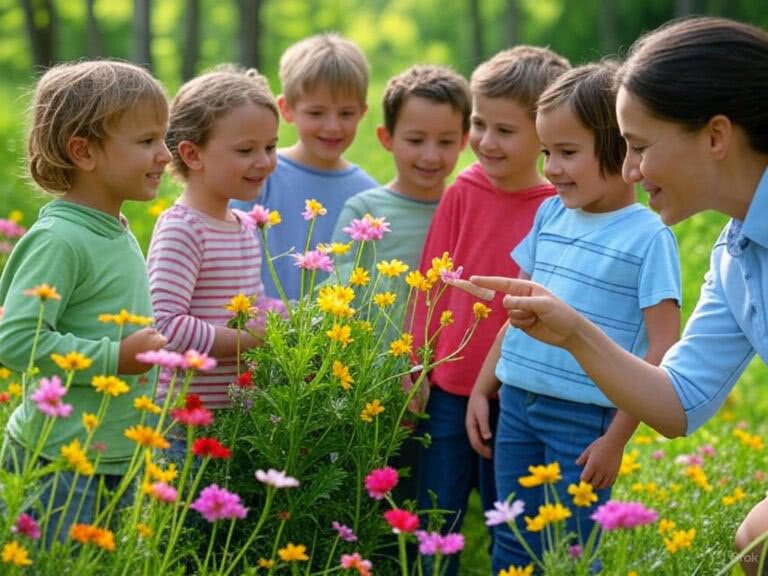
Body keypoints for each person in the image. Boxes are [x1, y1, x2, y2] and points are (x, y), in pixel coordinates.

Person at [467, 17, 768, 576]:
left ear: (716, 137)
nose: (628, 168)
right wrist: (574, 333)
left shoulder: (657, 240)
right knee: (755, 542)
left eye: (639, 146)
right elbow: (678, 403)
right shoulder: (734, 257)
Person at [466, 62, 681, 571]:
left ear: (621, 148)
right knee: (512, 540)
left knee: (574, 549)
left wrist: (616, 439)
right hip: (517, 404)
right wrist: (482, 388)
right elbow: (517, 310)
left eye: (567, 152)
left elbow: (663, 348)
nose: (551, 169)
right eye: (546, 152)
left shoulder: (649, 237)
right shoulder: (550, 215)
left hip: (585, 421)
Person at [410, 46, 570, 576]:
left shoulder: (557, 206)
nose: (485, 141)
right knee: (437, 513)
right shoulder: (464, 189)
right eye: (479, 124)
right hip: (449, 386)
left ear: (544, 134)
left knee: (512, 522)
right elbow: (430, 282)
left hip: (518, 394)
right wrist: (417, 363)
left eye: (505, 130)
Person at [0, 60, 170, 537]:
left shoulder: (113, 227)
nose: (164, 155)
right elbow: (15, 341)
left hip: (112, 456)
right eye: (147, 141)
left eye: (163, 138)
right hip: (59, 462)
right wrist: (116, 357)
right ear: (84, 151)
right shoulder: (59, 240)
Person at [147, 65, 279, 409]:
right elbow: (165, 326)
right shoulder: (183, 229)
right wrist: (250, 340)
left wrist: (291, 316)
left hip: (237, 416)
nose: (264, 161)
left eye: (270, 147)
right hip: (185, 417)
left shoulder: (245, 225)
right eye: (246, 150)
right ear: (193, 154)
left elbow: (251, 309)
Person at [329, 64, 471, 340]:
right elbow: (336, 293)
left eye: (445, 142)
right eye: (415, 140)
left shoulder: (466, 212)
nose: (430, 156)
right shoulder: (364, 212)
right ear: (387, 138)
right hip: (376, 360)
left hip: (444, 357)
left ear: (464, 141)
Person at [231, 33, 377, 301]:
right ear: (286, 109)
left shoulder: (369, 195)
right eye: (316, 113)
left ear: (362, 112)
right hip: (257, 323)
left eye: (346, 113)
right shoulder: (259, 175)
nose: (332, 126)